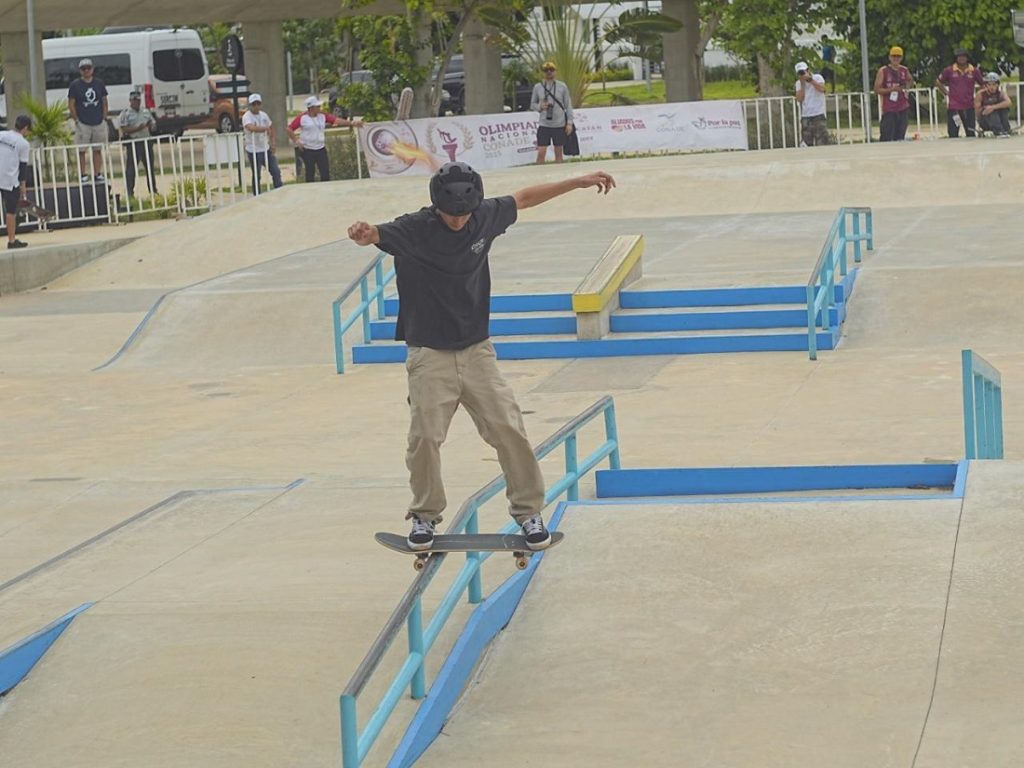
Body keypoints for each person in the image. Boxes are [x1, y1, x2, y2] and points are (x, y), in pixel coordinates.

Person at [346, 162, 616, 551]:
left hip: (477, 352)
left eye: (464, 216)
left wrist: (577, 181)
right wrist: (364, 232)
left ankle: (529, 512)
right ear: (437, 206)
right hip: (429, 354)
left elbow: (525, 198)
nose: (459, 222)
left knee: (508, 428)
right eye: (451, 216)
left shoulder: (485, 216)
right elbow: (376, 234)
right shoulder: (415, 228)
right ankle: (424, 516)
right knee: (424, 437)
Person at [286, 96, 362, 183]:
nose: (319, 108)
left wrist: (351, 123)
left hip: (320, 148)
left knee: (325, 173)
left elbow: (336, 120)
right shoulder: (302, 118)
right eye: (317, 106)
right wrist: (296, 140)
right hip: (308, 149)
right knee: (310, 173)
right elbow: (289, 129)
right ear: (311, 108)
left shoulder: (322, 115)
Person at [67, 58, 108, 183]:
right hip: (83, 123)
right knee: (81, 150)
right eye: (83, 68)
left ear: (92, 69)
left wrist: (104, 117)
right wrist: (76, 119)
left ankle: (97, 173)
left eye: (88, 68)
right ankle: (83, 174)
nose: (86, 71)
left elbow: (104, 101)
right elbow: (71, 104)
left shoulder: (99, 83)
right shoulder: (75, 85)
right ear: (80, 71)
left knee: (97, 149)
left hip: (98, 121)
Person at [530, 61, 574, 164]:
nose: (549, 72)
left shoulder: (562, 86)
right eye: (546, 70)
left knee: (558, 152)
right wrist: (540, 106)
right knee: (541, 152)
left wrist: (569, 123)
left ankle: (559, 173)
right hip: (544, 124)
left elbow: (568, 105)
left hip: (559, 124)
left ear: (555, 71)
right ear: (543, 72)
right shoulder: (538, 87)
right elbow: (532, 104)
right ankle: (539, 173)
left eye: (551, 70)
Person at [118, 90, 158, 198]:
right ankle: (130, 192)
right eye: (134, 100)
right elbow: (124, 128)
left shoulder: (145, 111)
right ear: (130, 101)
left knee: (149, 168)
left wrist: (152, 126)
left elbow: (153, 125)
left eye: (138, 100)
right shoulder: (126, 113)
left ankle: (153, 191)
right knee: (131, 169)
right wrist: (137, 128)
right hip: (134, 142)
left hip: (146, 141)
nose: (136, 102)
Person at [0, 115, 32, 250]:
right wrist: (23, 186)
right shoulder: (24, 144)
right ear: (26, 128)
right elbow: (23, 167)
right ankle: (11, 241)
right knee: (11, 211)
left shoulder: (2, 135)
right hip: (10, 180)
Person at [936, 49, 983, 138]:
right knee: (953, 133)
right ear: (956, 58)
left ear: (967, 58)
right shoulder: (949, 70)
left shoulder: (974, 70)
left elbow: (982, 84)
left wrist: (978, 96)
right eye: (959, 56)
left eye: (964, 56)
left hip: (969, 106)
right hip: (954, 107)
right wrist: (946, 93)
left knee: (970, 133)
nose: (962, 59)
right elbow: (938, 82)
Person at [241, 93, 282, 192]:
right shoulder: (247, 116)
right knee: (257, 174)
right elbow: (250, 127)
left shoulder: (264, 115)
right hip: (253, 149)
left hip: (265, 148)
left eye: (258, 103)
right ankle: (257, 194)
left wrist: (273, 142)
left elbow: (271, 128)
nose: (256, 106)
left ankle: (279, 189)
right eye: (253, 104)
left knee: (275, 171)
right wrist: (264, 129)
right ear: (250, 105)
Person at [874, 46, 915, 142]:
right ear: (889, 57)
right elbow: (877, 89)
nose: (896, 59)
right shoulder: (883, 71)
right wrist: (891, 90)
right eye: (893, 56)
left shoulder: (904, 70)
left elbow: (910, 80)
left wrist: (906, 88)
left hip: (902, 107)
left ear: (901, 58)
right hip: (889, 109)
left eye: (898, 56)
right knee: (886, 136)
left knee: (900, 136)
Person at [794, 61, 830, 146]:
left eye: (803, 71)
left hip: (818, 114)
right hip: (806, 115)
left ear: (808, 70)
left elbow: (822, 89)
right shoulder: (798, 83)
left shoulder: (818, 78)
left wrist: (810, 80)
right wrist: (802, 85)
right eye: (800, 73)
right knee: (807, 143)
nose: (802, 74)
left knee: (822, 141)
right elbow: (799, 99)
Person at [975, 72, 1013, 138]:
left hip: (999, 119)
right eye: (989, 85)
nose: (991, 87)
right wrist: (985, 110)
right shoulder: (981, 94)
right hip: (985, 120)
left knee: (1003, 109)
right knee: (991, 111)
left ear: (997, 85)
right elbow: (977, 111)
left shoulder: (1001, 93)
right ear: (986, 85)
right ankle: (999, 131)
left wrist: (993, 107)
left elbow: (1008, 102)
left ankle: (1005, 128)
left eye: (994, 84)